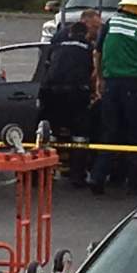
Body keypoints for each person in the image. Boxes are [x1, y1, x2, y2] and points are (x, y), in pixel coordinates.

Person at [88, 0, 137, 196]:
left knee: (109, 131)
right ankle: (135, 183)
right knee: (135, 135)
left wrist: (100, 79)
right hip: (135, 86)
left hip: (112, 85)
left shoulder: (110, 24)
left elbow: (97, 52)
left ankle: (98, 177)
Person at [40, 20, 95, 189]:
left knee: (51, 134)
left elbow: (46, 65)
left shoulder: (58, 42)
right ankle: (77, 177)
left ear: (70, 33)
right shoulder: (88, 47)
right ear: (85, 34)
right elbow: (93, 71)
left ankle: (45, 174)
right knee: (80, 135)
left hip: (52, 92)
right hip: (76, 93)